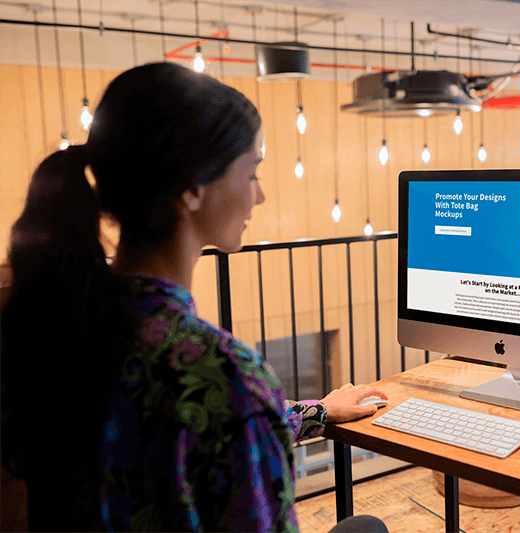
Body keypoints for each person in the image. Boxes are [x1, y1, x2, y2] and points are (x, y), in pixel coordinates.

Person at [0, 62, 389, 533]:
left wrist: (318, 413)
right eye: (252, 173)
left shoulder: (55, 325)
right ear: (191, 189)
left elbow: (185, 436)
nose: (259, 197)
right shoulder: (225, 376)